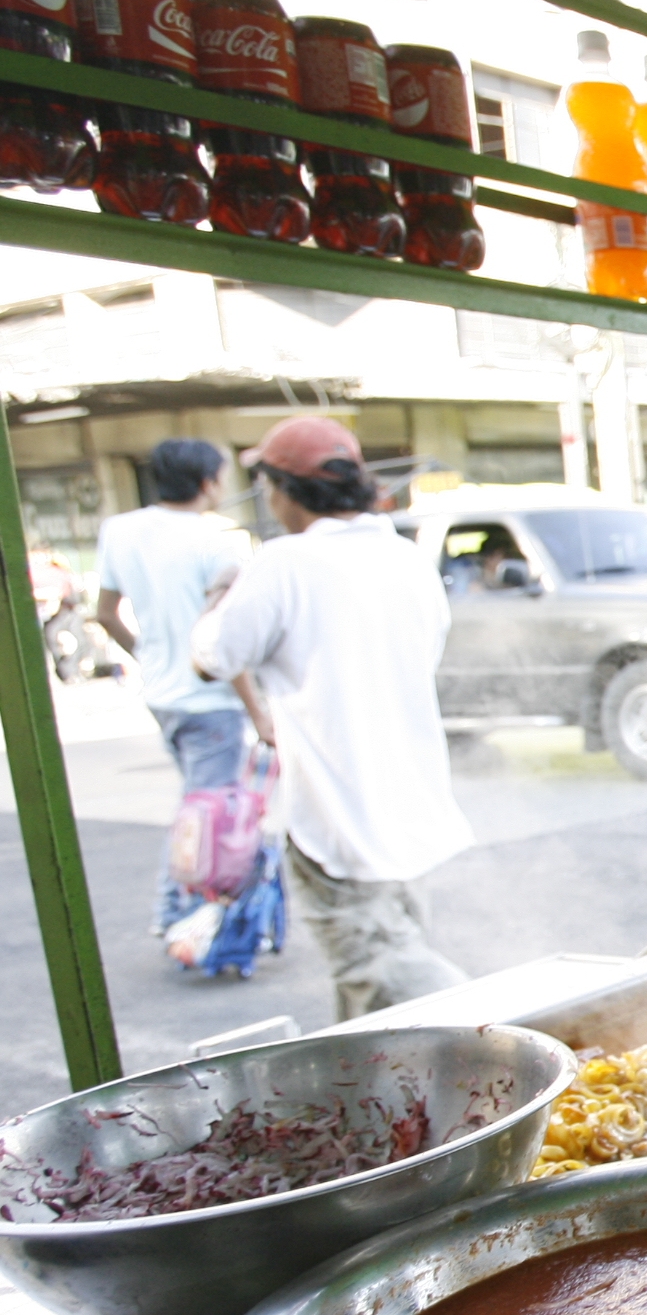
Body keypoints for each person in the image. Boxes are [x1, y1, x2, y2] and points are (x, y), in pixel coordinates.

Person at [192, 416, 474, 1021]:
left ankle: (504, 1030)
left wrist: (219, 599)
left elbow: (214, 657)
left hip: (337, 811)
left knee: (381, 971)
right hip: (411, 805)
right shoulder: (406, 559)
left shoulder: (285, 562)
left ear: (285, 490)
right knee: (379, 997)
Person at [93, 438, 274, 933]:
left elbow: (105, 613)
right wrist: (258, 712)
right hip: (210, 702)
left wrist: (151, 658)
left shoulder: (120, 530)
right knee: (205, 819)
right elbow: (221, 645)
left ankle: (198, 916)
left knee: (199, 808)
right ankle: (176, 916)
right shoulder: (217, 542)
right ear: (207, 482)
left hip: (161, 696)